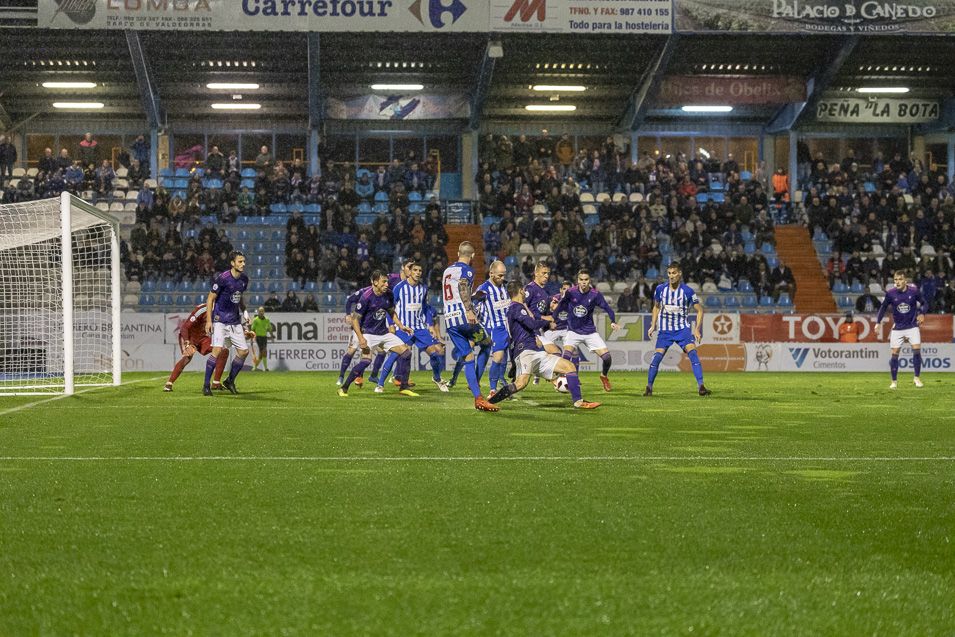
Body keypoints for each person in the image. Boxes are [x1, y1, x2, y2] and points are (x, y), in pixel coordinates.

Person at [489, 280, 600, 409]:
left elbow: (529, 325)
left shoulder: (519, 307)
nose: (525, 292)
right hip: (525, 352)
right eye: (523, 290)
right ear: (520, 291)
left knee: (569, 366)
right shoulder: (515, 307)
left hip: (536, 352)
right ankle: (490, 402)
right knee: (521, 383)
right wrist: (548, 321)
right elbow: (531, 324)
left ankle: (578, 401)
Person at [338, 271, 417, 397]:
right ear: (375, 282)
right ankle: (344, 388)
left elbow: (391, 312)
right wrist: (361, 339)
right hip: (368, 334)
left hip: (383, 333)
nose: (387, 284)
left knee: (406, 353)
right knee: (366, 361)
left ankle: (403, 387)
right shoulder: (366, 297)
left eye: (387, 281)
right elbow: (355, 319)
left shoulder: (389, 294)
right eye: (383, 282)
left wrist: (401, 326)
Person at [442, 241, 498, 412]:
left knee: (467, 357)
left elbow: (455, 292)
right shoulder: (467, 270)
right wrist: (469, 310)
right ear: (473, 256)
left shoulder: (447, 271)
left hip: (450, 322)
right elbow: (462, 287)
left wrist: (473, 298)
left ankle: (478, 397)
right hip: (464, 319)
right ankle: (476, 382)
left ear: (458, 253)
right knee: (486, 344)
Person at [379, 262, 448, 392]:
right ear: (409, 272)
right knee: (394, 355)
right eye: (415, 270)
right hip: (404, 328)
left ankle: (437, 378)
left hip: (420, 328)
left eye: (420, 270)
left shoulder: (423, 288)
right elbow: (390, 307)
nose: (417, 272)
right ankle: (380, 384)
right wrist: (392, 324)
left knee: (435, 353)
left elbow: (426, 308)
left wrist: (430, 325)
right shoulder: (399, 287)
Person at [645, 262, 711, 397]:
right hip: (665, 331)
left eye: (674, 273)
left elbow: (699, 310)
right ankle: (648, 388)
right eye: (669, 273)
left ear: (679, 274)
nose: (671, 276)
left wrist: (697, 329)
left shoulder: (687, 291)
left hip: (682, 330)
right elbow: (656, 307)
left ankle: (701, 387)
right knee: (657, 358)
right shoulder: (660, 289)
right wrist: (653, 325)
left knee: (693, 353)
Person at [555, 270, 619, 391]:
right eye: (581, 280)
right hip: (573, 331)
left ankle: (604, 376)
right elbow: (561, 305)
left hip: (589, 332)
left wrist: (613, 321)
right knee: (566, 356)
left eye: (586, 280)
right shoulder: (571, 292)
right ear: (577, 281)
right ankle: (562, 380)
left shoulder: (595, 294)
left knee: (607, 358)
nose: (583, 282)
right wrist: (553, 318)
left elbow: (607, 308)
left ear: (589, 281)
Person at [203, 251, 251, 396]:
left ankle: (229, 381)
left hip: (235, 321)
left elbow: (238, 297)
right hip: (220, 320)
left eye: (244, 261)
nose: (243, 264)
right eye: (240, 261)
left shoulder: (244, 280)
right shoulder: (223, 278)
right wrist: (209, 320)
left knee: (244, 352)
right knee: (217, 351)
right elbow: (210, 299)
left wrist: (245, 311)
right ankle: (206, 386)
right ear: (232, 263)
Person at [876, 270, 927, 389]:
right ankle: (894, 382)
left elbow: (925, 303)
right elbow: (883, 308)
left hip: (912, 326)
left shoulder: (914, 291)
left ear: (905, 281)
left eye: (899, 279)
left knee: (916, 351)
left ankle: (917, 378)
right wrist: (878, 323)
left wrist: (922, 313)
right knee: (894, 355)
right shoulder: (890, 293)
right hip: (897, 328)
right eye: (895, 280)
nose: (897, 282)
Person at [164, 303, 228, 392]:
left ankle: (216, 383)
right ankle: (169, 383)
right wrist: (187, 343)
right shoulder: (202, 309)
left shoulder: (224, 310)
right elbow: (184, 328)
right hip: (190, 336)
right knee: (187, 357)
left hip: (204, 338)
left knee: (223, 350)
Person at [474, 260, 511, 396]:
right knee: (497, 357)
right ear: (491, 273)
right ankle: (492, 389)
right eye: (500, 275)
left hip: (508, 327)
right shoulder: (484, 289)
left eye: (504, 275)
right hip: (494, 328)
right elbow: (472, 304)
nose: (502, 278)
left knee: (507, 357)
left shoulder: (505, 287)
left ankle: (503, 381)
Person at [250, 306, 276, 371]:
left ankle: (255, 367)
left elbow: (269, 329)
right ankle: (266, 368)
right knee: (264, 351)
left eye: (262, 311)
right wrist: (251, 339)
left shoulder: (267, 319)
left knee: (262, 353)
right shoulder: (255, 320)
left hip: (264, 337)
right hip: (258, 337)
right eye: (260, 311)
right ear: (258, 312)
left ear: (264, 312)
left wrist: (272, 336)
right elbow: (252, 330)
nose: (261, 312)